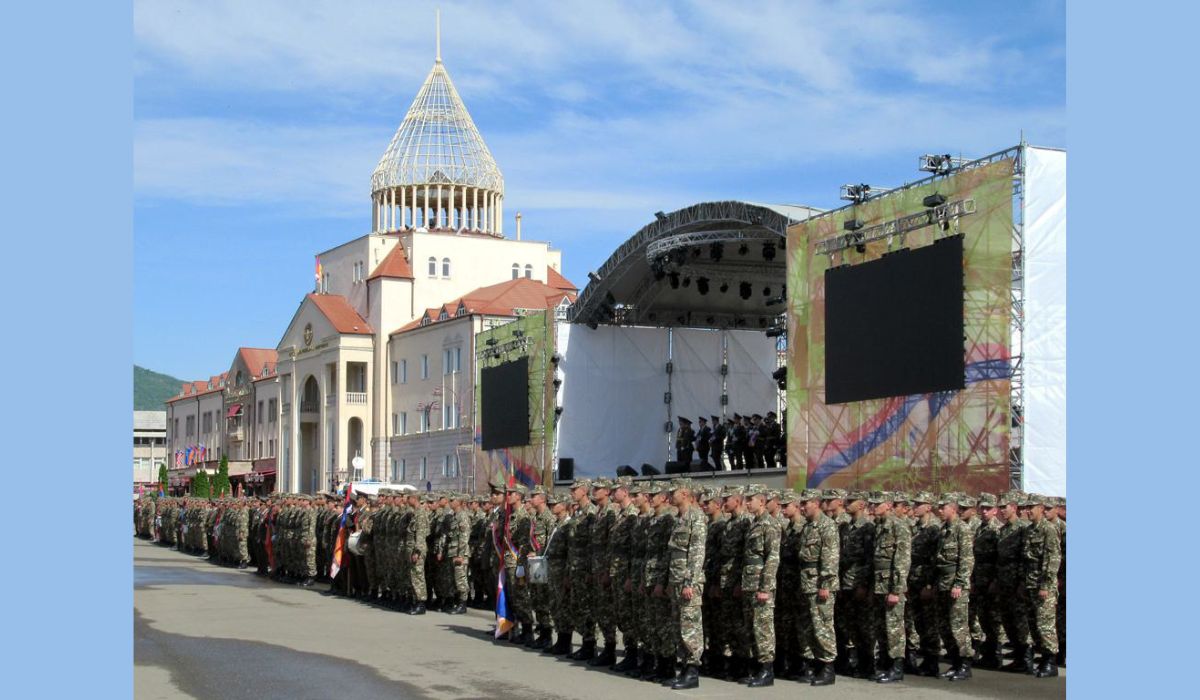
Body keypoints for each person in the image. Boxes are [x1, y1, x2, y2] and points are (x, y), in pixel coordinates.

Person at [665, 479, 707, 689]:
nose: (671, 494)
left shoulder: (696, 517)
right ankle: (683, 668)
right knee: (678, 626)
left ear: (685, 494)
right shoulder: (678, 518)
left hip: (688, 581)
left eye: (675, 491)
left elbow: (697, 553)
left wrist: (689, 582)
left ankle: (692, 672)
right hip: (676, 580)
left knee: (690, 626)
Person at [796, 488, 839, 686]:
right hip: (806, 582)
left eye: (805, 504)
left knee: (822, 625)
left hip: (820, 583)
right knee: (808, 627)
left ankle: (828, 667)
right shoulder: (807, 527)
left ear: (816, 503)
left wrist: (826, 584)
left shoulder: (827, 526)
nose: (802, 507)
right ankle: (812, 663)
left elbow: (829, 558)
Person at [740, 484, 781, 687]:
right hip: (749, 583)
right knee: (751, 627)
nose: (747, 503)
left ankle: (767, 669)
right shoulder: (753, 523)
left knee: (763, 627)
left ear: (762, 502)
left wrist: (765, 588)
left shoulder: (769, 524)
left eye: (751, 499)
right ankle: (756, 665)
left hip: (761, 585)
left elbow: (772, 558)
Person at [869, 492, 911, 684]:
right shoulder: (879, 526)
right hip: (879, 584)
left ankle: (897, 666)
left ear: (887, 505)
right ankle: (885, 663)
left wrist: (896, 589)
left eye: (876, 504)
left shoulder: (898, 526)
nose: (873, 507)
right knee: (881, 626)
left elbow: (902, 560)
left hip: (891, 585)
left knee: (894, 626)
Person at [933, 495, 975, 681]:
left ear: (953, 508)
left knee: (958, 626)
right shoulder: (944, 530)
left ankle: (965, 664)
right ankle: (955, 662)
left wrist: (959, 583)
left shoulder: (962, 529)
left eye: (943, 507)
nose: (939, 511)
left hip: (956, 585)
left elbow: (966, 559)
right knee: (945, 626)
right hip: (943, 583)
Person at [1022, 495, 1062, 678]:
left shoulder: (1049, 529)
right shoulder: (1030, 530)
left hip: (1043, 585)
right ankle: (1043, 658)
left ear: (1041, 508)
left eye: (1032, 507)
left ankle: (1050, 661)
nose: (1028, 510)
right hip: (1030, 583)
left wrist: (1046, 585)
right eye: (1027, 507)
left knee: (1045, 624)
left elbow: (1052, 560)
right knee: (1034, 623)